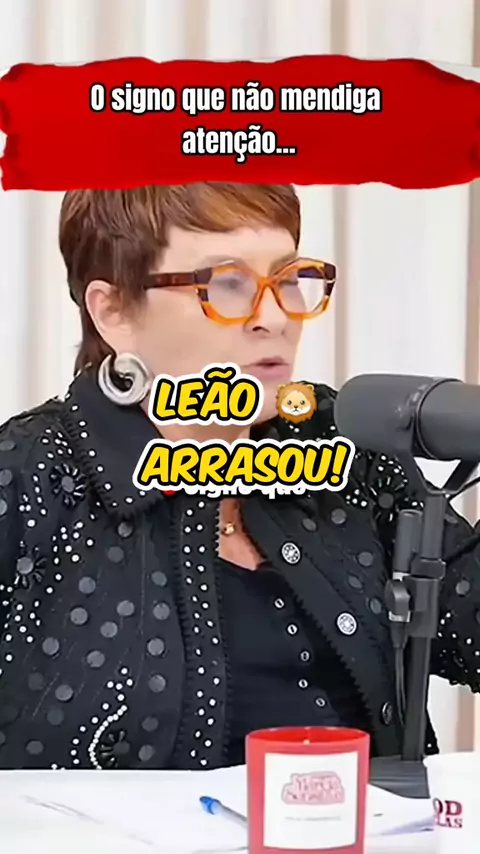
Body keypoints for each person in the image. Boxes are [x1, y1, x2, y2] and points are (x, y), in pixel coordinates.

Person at [0, 181, 479, 773]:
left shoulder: (345, 446)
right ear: (114, 311)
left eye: (287, 279)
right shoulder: (28, 477)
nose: (275, 317)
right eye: (228, 285)